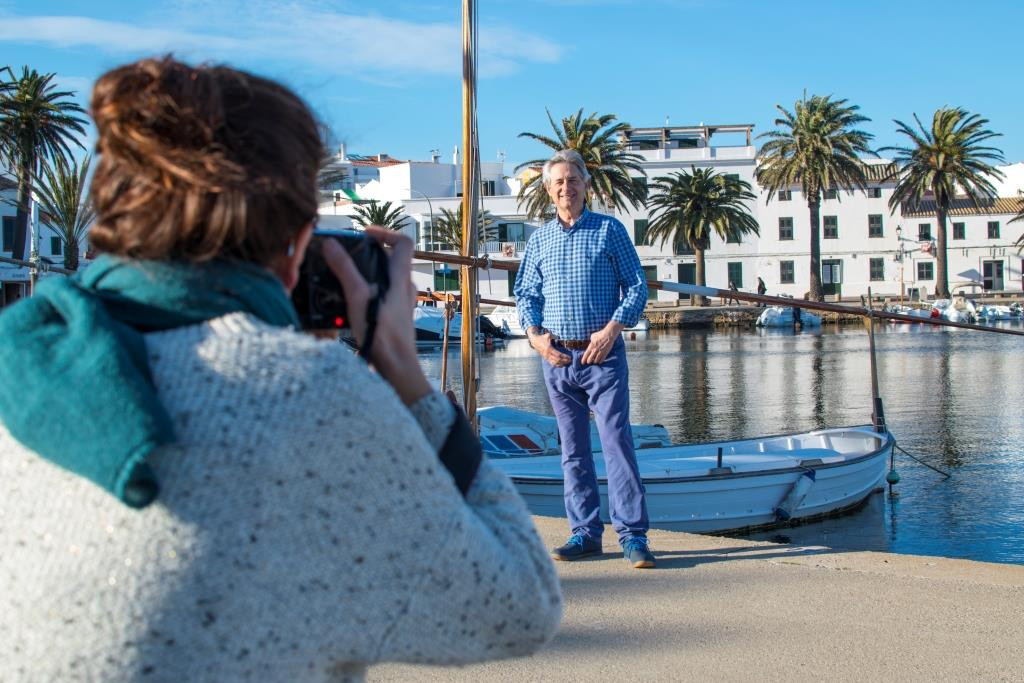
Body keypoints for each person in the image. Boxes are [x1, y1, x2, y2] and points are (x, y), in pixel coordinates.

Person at [0, 57, 561, 681]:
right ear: (297, 247)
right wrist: (404, 375)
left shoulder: (20, 355)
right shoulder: (312, 395)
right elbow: (520, 606)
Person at [514, 149, 654, 569]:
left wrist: (614, 328)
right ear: (547, 190)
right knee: (572, 451)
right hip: (557, 359)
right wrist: (535, 337)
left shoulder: (609, 231)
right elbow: (526, 294)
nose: (565, 188)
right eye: (557, 182)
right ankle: (585, 533)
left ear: (585, 185)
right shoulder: (539, 239)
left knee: (616, 445)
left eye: (572, 180)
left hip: (603, 358)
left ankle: (633, 537)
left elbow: (636, 287)